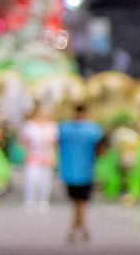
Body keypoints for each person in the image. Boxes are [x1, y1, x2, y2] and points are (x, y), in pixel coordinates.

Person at [55, 103, 103, 244]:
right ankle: (80, 228)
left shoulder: (66, 128)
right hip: (76, 170)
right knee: (79, 202)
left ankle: (76, 228)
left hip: (80, 170)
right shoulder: (91, 129)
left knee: (79, 202)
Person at [18, 106, 58, 212]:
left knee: (45, 180)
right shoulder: (29, 126)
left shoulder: (52, 126)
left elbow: (55, 142)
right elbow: (23, 141)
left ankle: (43, 200)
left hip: (46, 156)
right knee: (32, 178)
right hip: (33, 155)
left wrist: (53, 154)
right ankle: (30, 199)